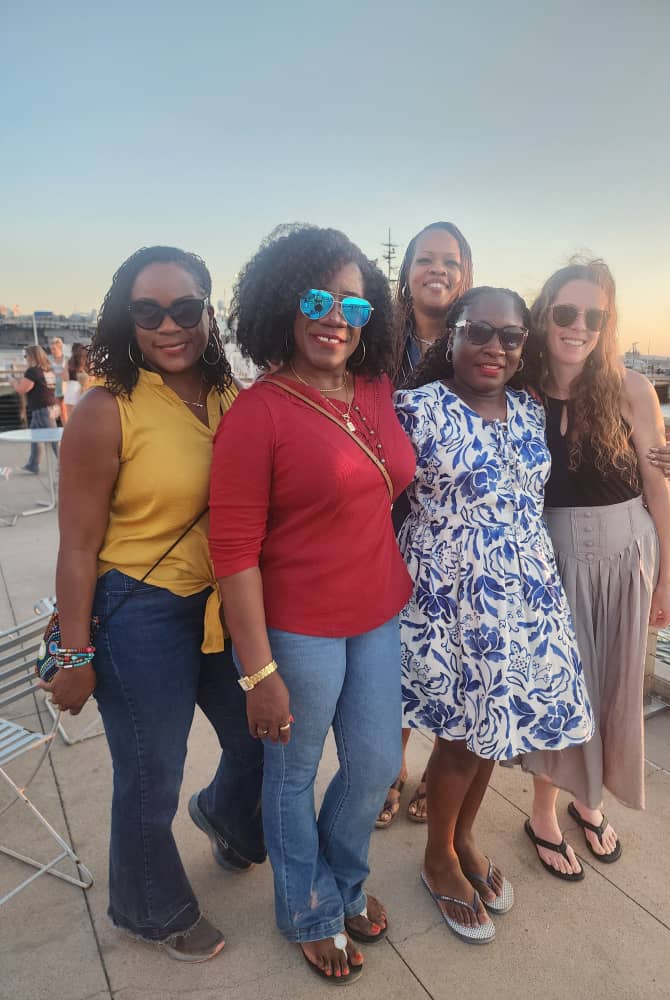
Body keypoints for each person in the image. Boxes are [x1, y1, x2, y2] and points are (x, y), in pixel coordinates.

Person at [43, 246, 265, 961]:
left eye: (185, 309)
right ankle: (148, 907)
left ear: (209, 313)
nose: (169, 326)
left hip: (220, 604)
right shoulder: (106, 410)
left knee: (259, 736)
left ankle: (225, 816)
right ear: (126, 318)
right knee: (151, 772)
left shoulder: (232, 396)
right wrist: (74, 654)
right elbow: (78, 546)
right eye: (148, 312)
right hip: (138, 610)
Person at [209, 224, 416, 985]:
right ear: (283, 304)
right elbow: (233, 552)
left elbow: (464, 351)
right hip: (298, 629)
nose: (336, 318)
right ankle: (308, 907)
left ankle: (343, 880)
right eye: (318, 300)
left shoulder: (377, 387)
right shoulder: (256, 414)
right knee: (292, 775)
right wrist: (259, 671)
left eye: (354, 307)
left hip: (378, 613)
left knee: (376, 764)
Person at [395, 285, 593, 942]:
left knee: (494, 735)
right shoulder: (417, 409)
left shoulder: (530, 410)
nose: (494, 347)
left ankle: (463, 838)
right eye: (478, 331)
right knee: (461, 738)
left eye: (510, 337)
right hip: (452, 601)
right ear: (451, 335)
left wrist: (659, 463)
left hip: (524, 599)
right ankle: (438, 858)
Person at [520, 260, 670, 878]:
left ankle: (589, 803)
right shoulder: (520, 390)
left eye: (594, 316)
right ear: (545, 316)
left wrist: (668, 579)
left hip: (627, 553)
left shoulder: (633, 389)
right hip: (553, 558)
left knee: (614, 685)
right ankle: (542, 813)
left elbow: (658, 489)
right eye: (566, 312)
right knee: (559, 689)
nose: (578, 326)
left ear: (607, 324)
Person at [376, 221, 473, 830]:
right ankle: (392, 766)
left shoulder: (479, 336)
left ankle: (441, 770)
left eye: (451, 261)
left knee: (454, 649)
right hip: (385, 508)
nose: (438, 270)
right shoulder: (377, 339)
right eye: (426, 259)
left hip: (451, 518)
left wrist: (646, 451)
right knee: (397, 646)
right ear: (408, 271)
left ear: (465, 274)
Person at [10, 344, 59, 473]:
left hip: (42, 409)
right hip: (51, 406)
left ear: (32, 356)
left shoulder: (32, 371)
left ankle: (65, 465)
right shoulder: (48, 370)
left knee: (53, 439)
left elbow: (22, 389)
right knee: (36, 437)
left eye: (26, 356)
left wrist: (13, 382)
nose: (25, 358)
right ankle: (33, 465)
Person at [62, 341, 89, 420]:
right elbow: (92, 376)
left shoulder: (69, 363)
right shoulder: (87, 362)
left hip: (71, 388)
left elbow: (65, 378)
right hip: (85, 388)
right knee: (84, 415)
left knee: (71, 416)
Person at [49, 337, 66, 424]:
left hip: (64, 385)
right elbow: (48, 371)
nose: (52, 351)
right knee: (56, 409)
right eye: (51, 349)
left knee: (64, 409)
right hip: (54, 385)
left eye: (54, 349)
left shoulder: (66, 359)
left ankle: (66, 426)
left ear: (60, 348)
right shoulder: (49, 360)